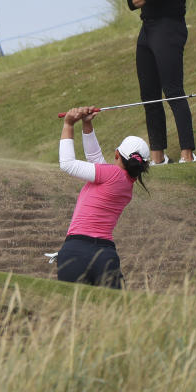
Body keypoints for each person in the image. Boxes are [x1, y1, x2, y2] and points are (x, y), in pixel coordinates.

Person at [126, 0, 196, 165]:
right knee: (149, 94)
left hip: (168, 26)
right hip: (148, 29)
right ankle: (157, 156)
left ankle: (187, 153)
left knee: (173, 90)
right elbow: (130, 0)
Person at [55, 105, 150, 288]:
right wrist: (86, 125)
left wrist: (68, 124)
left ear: (116, 154)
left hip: (76, 250)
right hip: (105, 255)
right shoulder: (127, 183)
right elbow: (95, 158)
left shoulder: (111, 174)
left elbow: (67, 164)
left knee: (72, 310)